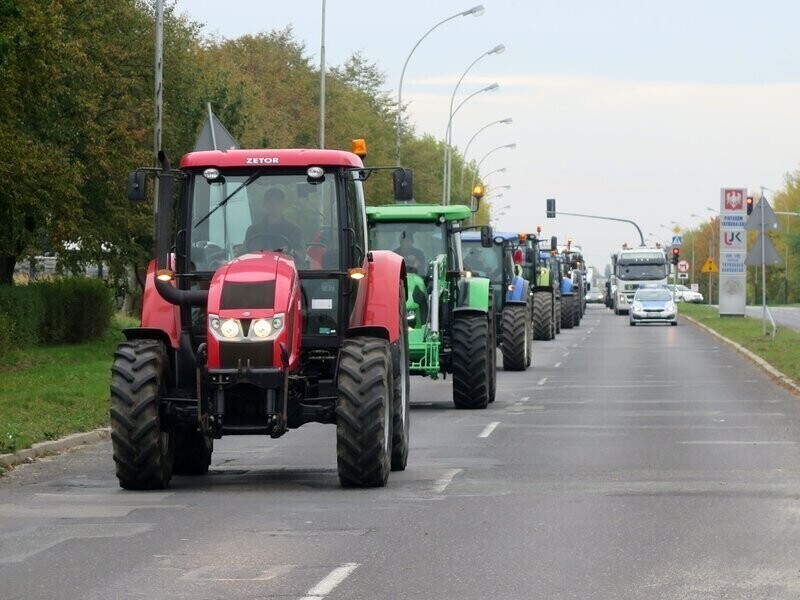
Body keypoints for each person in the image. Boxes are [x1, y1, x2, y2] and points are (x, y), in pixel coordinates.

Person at [245, 188, 306, 260]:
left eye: (278, 203)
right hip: (259, 268)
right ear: (264, 204)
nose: (274, 207)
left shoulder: (294, 231)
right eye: (270, 203)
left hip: (286, 268)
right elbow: (244, 253)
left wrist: (290, 251)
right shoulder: (253, 230)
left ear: (284, 205)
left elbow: (301, 255)